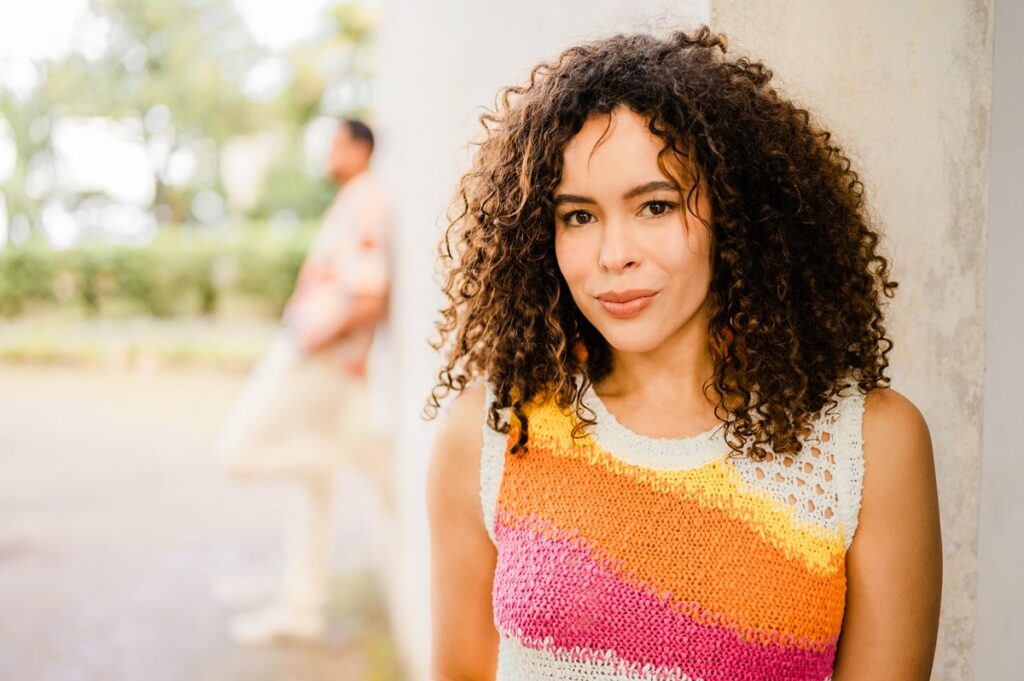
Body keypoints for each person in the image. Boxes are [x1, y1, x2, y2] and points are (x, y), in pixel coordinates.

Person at [426, 28, 942, 680]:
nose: (614, 254)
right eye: (578, 216)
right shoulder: (491, 429)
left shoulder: (867, 445)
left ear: (737, 212)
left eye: (656, 205)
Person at [215, 118, 391, 645]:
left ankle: (333, 456)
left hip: (314, 356)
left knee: (236, 454)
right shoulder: (352, 201)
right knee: (313, 492)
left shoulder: (365, 201)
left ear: (361, 149)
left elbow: (368, 299)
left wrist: (314, 342)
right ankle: (302, 607)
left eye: (335, 144)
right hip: (320, 354)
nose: (325, 154)